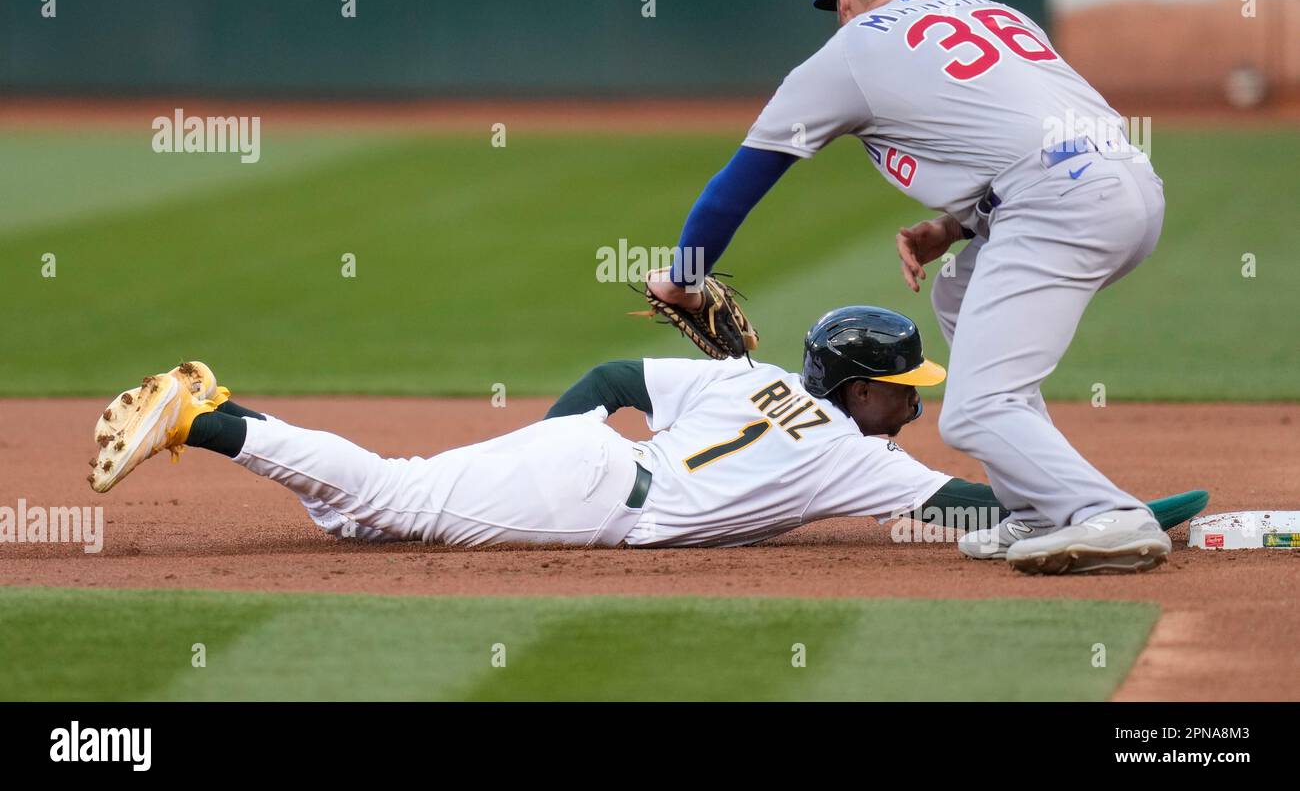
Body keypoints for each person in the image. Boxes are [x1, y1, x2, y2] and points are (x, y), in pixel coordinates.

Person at [646, 0, 1171, 573]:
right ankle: (1035, 506)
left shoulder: (850, 52)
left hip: (1057, 206)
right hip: (1131, 186)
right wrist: (953, 228)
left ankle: (1106, 515)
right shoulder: (994, 13)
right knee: (958, 290)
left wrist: (682, 278)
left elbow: (735, 189)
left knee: (975, 411)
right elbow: (1033, 127)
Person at [85, 309, 1202, 559]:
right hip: (590, 493)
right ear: (857, 391)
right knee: (390, 496)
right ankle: (205, 415)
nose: (913, 401)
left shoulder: (752, 374)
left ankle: (234, 405)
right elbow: (976, 505)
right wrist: (1097, 508)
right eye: (900, 387)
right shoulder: (863, 458)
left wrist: (541, 448)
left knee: (361, 515)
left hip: (587, 460)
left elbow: (616, 373)